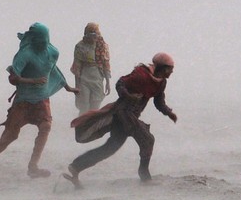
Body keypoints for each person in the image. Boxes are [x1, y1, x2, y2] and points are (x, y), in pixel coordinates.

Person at [63, 52, 178, 188]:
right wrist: (127, 95)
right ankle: (145, 176)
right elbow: (121, 82)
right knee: (147, 139)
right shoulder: (141, 74)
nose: (171, 72)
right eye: (169, 68)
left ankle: (76, 167)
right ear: (161, 67)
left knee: (111, 147)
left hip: (130, 117)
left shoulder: (161, 83)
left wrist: (169, 113)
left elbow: (159, 102)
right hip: (123, 112)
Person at [0, 22, 78, 180]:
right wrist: (31, 81)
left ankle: (33, 167)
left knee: (46, 127)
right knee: (10, 136)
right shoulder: (25, 54)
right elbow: (13, 77)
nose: (44, 44)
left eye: (46, 40)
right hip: (23, 101)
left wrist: (68, 87)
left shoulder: (52, 52)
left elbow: (52, 68)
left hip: (41, 99)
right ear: (34, 40)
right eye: (40, 41)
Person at [70, 22, 111, 115]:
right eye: (92, 34)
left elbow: (106, 63)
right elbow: (77, 65)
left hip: (97, 77)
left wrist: (108, 83)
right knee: (84, 106)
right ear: (87, 35)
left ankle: (92, 126)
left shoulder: (102, 45)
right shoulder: (80, 46)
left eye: (96, 34)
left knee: (95, 106)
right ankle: (81, 126)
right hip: (84, 77)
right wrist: (77, 85)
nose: (94, 37)